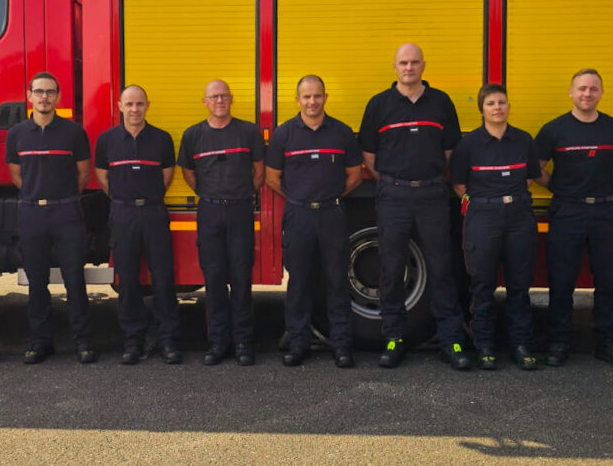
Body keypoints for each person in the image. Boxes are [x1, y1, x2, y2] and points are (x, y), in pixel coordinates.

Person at [358, 43, 471, 369]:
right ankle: (394, 337)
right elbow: (368, 152)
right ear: (395, 67)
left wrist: (425, 175)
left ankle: (451, 339)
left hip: (432, 195)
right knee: (391, 270)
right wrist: (394, 179)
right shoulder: (379, 105)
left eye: (414, 62)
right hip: (393, 196)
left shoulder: (441, 102)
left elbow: (450, 149)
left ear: (424, 65)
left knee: (441, 267)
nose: (409, 67)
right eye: (403, 63)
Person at [534, 69, 613, 369]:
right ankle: (558, 343)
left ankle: (610, 344)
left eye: (593, 89)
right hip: (567, 211)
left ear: (601, 93)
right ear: (571, 92)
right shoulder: (554, 130)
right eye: (581, 89)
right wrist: (557, 187)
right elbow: (537, 167)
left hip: (605, 211)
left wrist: (608, 179)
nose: (587, 94)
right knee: (562, 281)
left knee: (608, 281)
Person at [265, 75, 363, 368]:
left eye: (317, 96)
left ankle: (342, 346)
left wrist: (330, 197)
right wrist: (300, 199)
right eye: (306, 97)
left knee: (337, 280)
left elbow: (355, 177)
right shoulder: (283, 134)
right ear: (297, 100)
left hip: (332, 214)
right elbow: (272, 178)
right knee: (299, 282)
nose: (312, 102)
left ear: (325, 97)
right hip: (299, 215)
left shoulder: (342, 133)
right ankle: (298, 344)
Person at [6, 72, 96, 364]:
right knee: (37, 282)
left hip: (66, 211)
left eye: (50, 92)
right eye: (39, 91)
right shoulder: (17, 133)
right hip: (32, 212)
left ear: (58, 97)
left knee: (74, 279)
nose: (44, 97)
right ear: (29, 95)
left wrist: (60, 197)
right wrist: (37, 196)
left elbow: (83, 173)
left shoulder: (73, 132)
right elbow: (15, 173)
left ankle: (83, 342)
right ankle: (40, 343)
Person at [451, 83, 542, 370]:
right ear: (482, 110)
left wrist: (508, 198)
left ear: (508, 107)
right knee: (482, 286)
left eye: (501, 102)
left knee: (519, 286)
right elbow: (459, 184)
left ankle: (520, 345)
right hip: (483, 216)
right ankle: (485, 346)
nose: (497, 108)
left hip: (518, 217)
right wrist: (479, 203)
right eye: (491, 103)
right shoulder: (468, 145)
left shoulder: (524, 141)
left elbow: (530, 177)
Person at [178, 79, 265, 366]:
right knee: (214, 279)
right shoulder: (193, 135)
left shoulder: (248, 132)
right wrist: (209, 194)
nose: (219, 101)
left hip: (240, 211)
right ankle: (217, 343)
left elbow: (259, 171)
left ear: (231, 99)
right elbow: (189, 173)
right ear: (205, 101)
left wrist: (241, 195)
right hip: (210, 212)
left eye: (224, 96)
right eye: (213, 97)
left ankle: (243, 343)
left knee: (241, 278)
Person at [94, 85, 182, 365]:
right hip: (122, 215)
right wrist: (125, 201)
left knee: (163, 279)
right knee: (128, 281)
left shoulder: (162, 139)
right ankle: (133, 343)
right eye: (129, 104)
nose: (134, 109)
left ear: (147, 105)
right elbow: (102, 177)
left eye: (140, 104)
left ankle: (168, 342)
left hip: (154, 212)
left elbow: (165, 178)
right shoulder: (107, 140)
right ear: (119, 106)